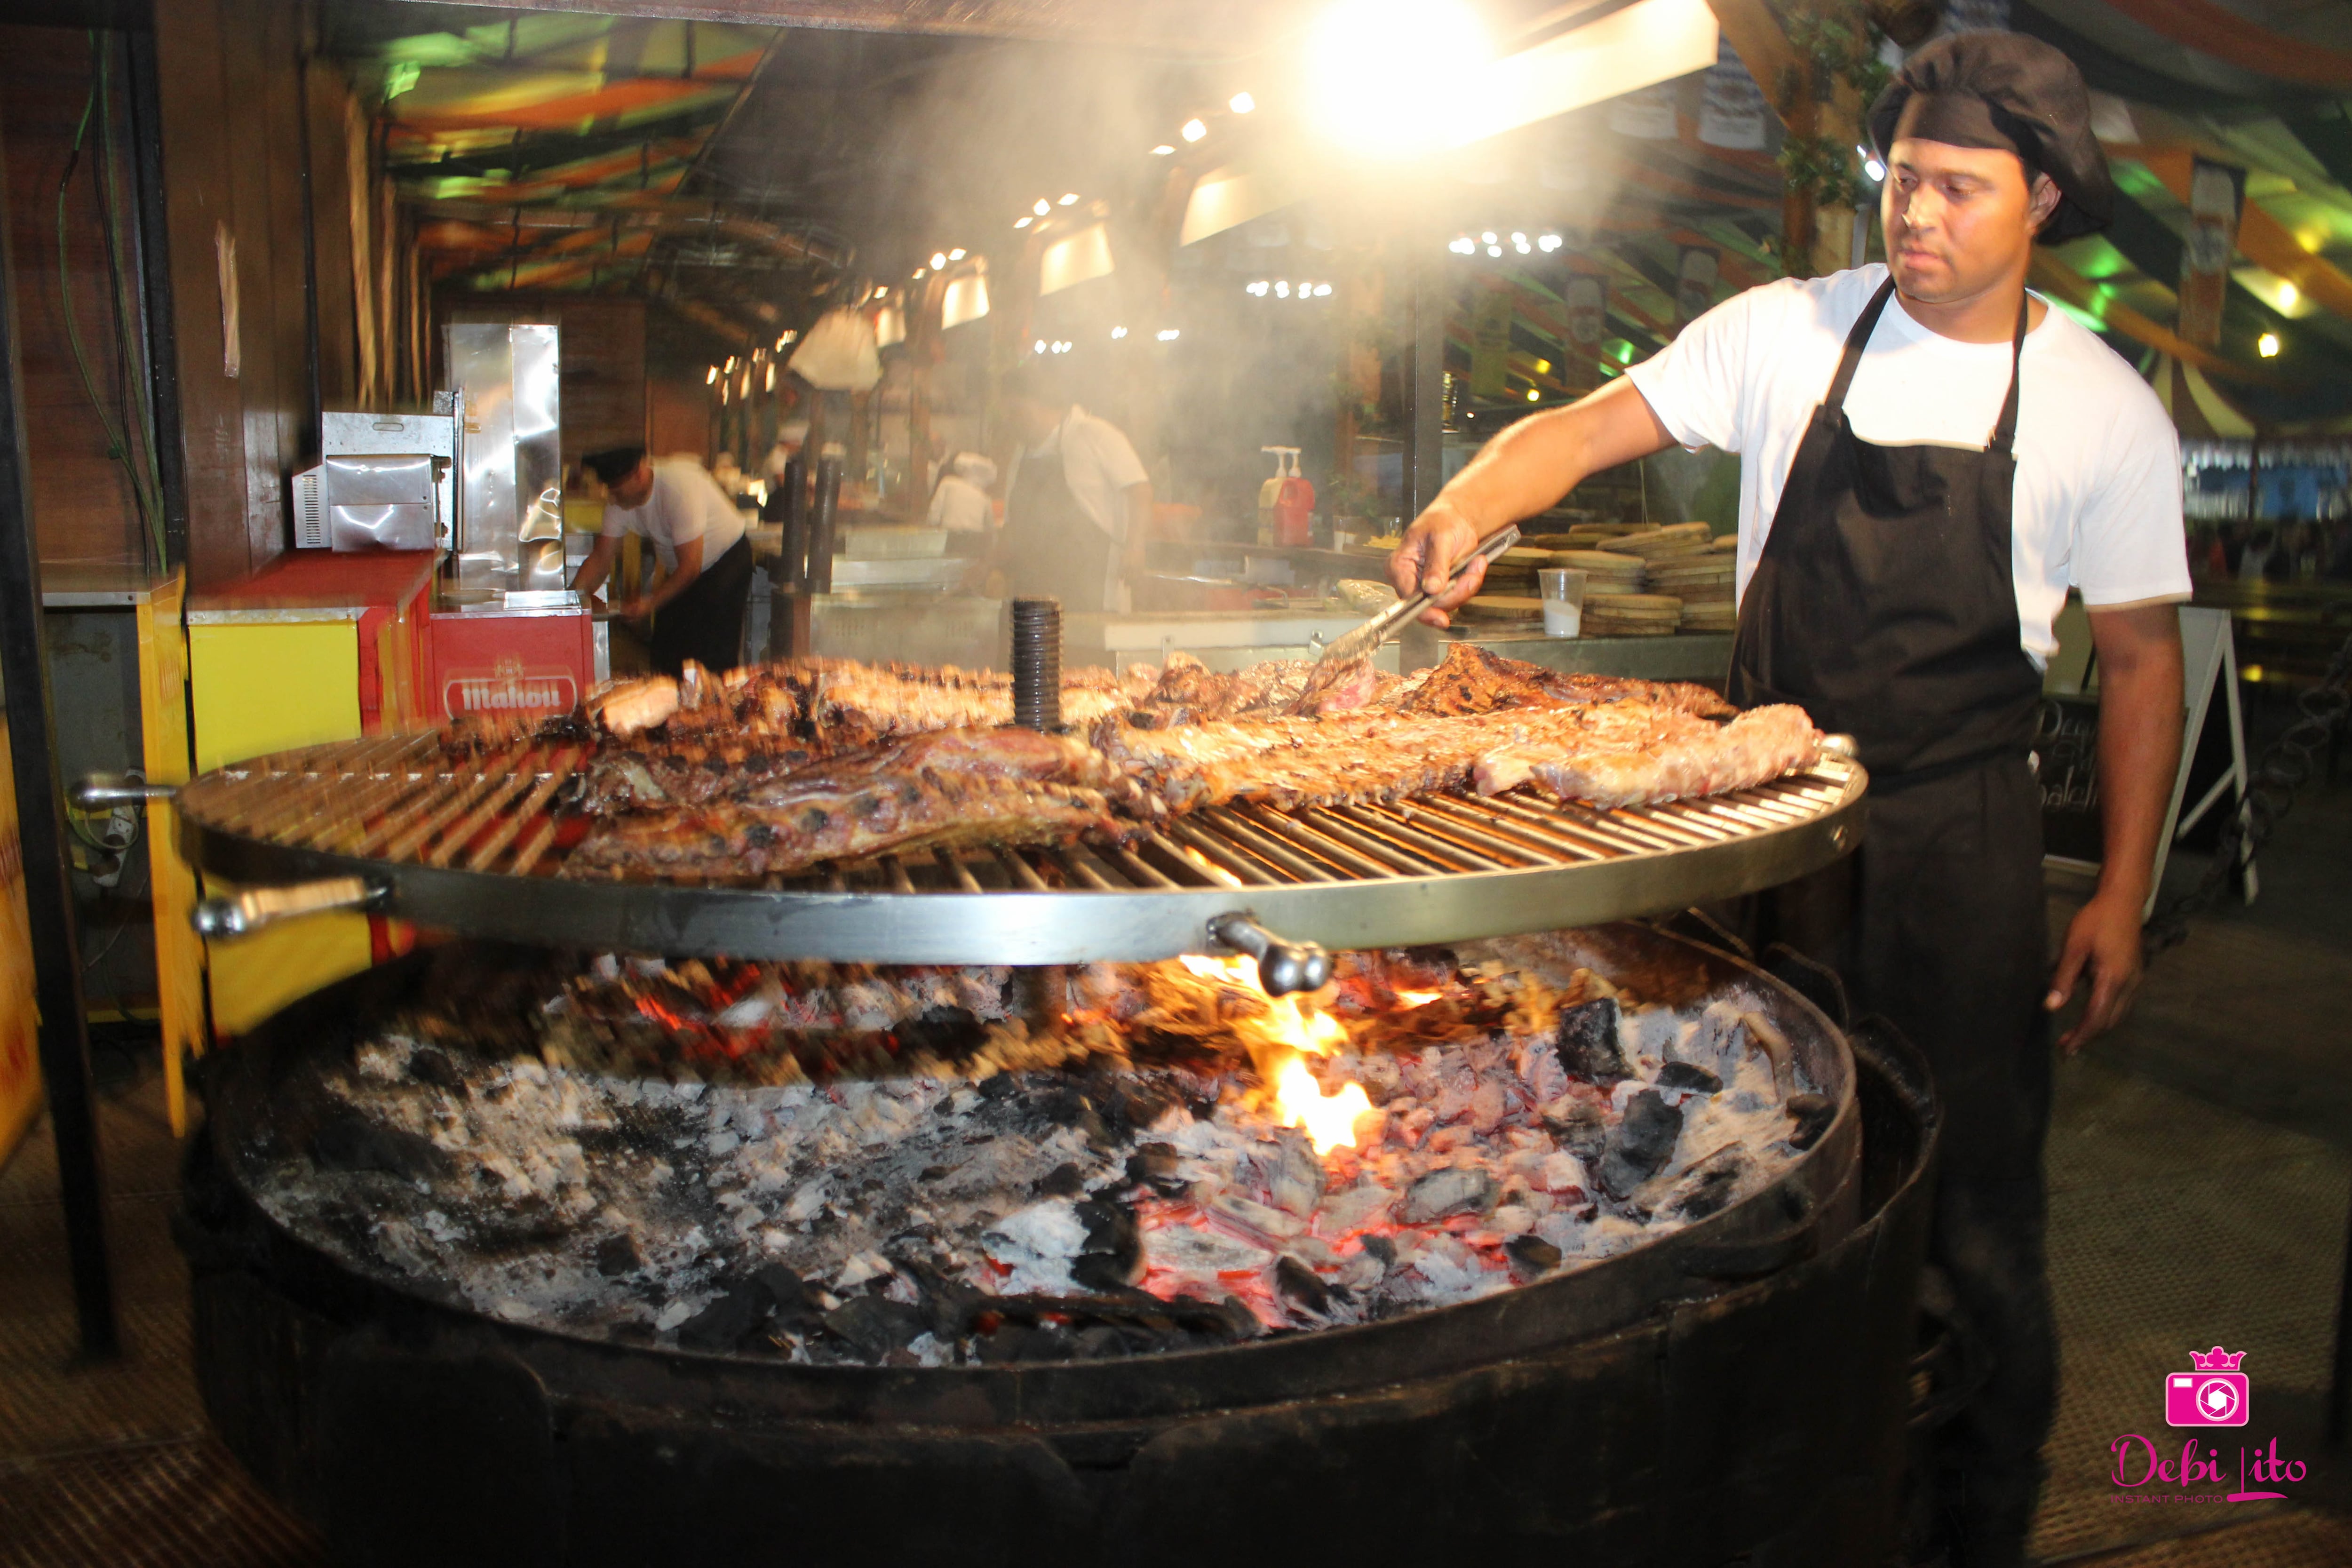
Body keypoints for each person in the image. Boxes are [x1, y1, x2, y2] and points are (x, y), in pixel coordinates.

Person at [1388, 33, 2187, 1568]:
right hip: (1751, 830)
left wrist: (2120, 892)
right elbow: (1579, 430)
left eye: (1960, 187)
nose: (1917, 212)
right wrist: (1467, 503)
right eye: (1906, 179)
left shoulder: (2098, 403)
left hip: (1959, 848)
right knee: (1716, 1176)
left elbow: (2144, 663)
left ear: (2043, 198)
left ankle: (1966, 1527)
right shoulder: (1789, 331)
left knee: (1968, 1223)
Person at [573, 446, 755, 676]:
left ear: (640, 473)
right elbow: (601, 559)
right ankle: (671, 705)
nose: (612, 497)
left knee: (710, 657)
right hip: (683, 567)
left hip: (727, 561)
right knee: (665, 649)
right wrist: (573, 600)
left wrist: (649, 604)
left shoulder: (677, 488)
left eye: (617, 490)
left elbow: (690, 568)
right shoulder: (619, 502)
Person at [984, 365, 1152, 611]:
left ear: (1041, 401)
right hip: (1035, 595)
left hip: (1092, 588)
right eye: (1008, 414)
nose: (1011, 421)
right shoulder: (1020, 456)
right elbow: (1013, 530)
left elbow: (1140, 491)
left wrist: (1135, 546)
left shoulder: (1094, 433)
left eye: (1016, 411)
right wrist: (984, 567)